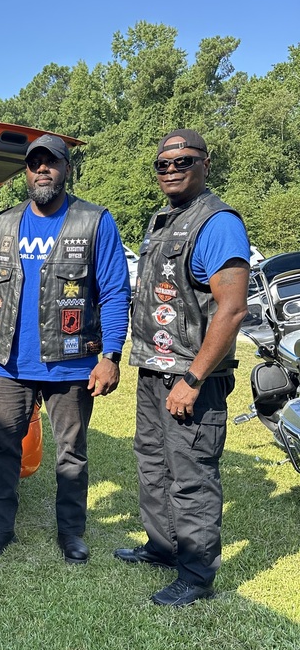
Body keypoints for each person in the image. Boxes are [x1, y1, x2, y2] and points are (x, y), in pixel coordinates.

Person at [0, 134, 131, 562]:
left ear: (66, 168)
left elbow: (114, 292)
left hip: (72, 364)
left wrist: (111, 355)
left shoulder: (95, 221)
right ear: (26, 172)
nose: (42, 170)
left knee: (72, 455)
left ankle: (71, 533)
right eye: (34, 163)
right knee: (4, 451)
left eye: (51, 162)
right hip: (8, 364)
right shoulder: (3, 223)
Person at [114, 129, 250, 607]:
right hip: (153, 371)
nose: (171, 169)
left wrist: (192, 379)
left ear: (205, 164)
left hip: (192, 378)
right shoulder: (164, 219)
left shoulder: (218, 222)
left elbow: (232, 310)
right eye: (163, 163)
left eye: (183, 160)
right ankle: (163, 547)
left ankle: (195, 575)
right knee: (153, 464)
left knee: (191, 475)